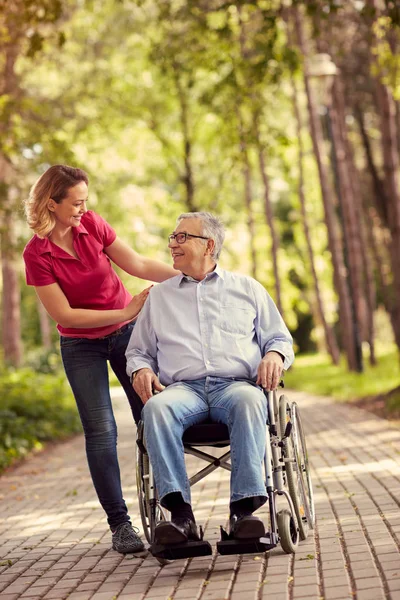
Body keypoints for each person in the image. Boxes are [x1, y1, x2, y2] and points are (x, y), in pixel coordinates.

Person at [22, 164, 178, 554]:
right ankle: (121, 526)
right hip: (81, 346)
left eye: (85, 201)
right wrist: (125, 312)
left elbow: (138, 265)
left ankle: (176, 510)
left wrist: (188, 275)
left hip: (126, 338)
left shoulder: (92, 224)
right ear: (51, 203)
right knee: (102, 432)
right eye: (75, 203)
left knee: (154, 414)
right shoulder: (36, 254)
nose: (82, 209)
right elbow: (65, 316)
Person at [125, 211, 294, 549]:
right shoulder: (160, 296)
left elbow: (279, 339)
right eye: (172, 237)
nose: (173, 243)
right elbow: (138, 352)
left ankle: (243, 513)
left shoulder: (247, 289)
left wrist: (274, 356)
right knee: (156, 409)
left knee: (250, 401)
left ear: (209, 245)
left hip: (235, 387)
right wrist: (141, 369)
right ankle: (180, 517)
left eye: (182, 237)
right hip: (182, 391)